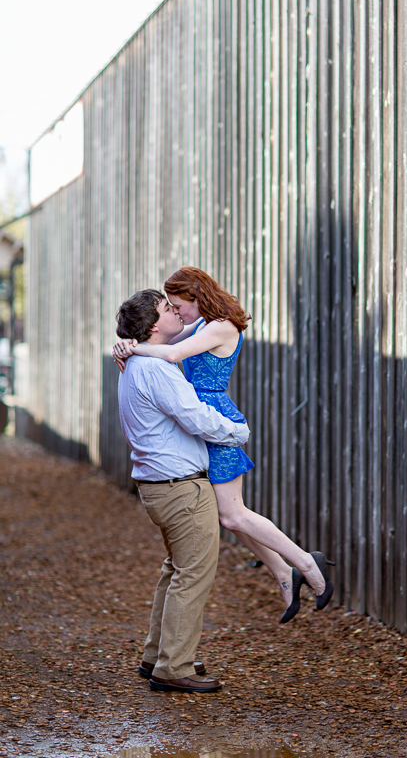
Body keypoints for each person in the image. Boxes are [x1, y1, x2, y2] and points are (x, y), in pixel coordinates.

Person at [113, 267, 334, 623]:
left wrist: (132, 348)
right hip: (194, 413)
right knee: (227, 516)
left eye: (178, 304)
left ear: (196, 298)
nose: (176, 311)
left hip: (211, 416)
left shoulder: (221, 326)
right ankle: (282, 573)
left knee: (233, 513)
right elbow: (160, 338)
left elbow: (168, 354)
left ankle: (308, 564)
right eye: (170, 306)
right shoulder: (200, 324)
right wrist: (124, 343)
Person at [116, 288, 251, 694]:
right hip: (179, 488)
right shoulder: (154, 369)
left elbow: (192, 333)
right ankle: (173, 667)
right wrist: (237, 432)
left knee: (175, 569)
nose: (176, 312)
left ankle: (158, 654)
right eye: (167, 308)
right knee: (193, 574)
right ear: (156, 325)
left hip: (159, 485)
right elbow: (195, 417)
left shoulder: (136, 363)